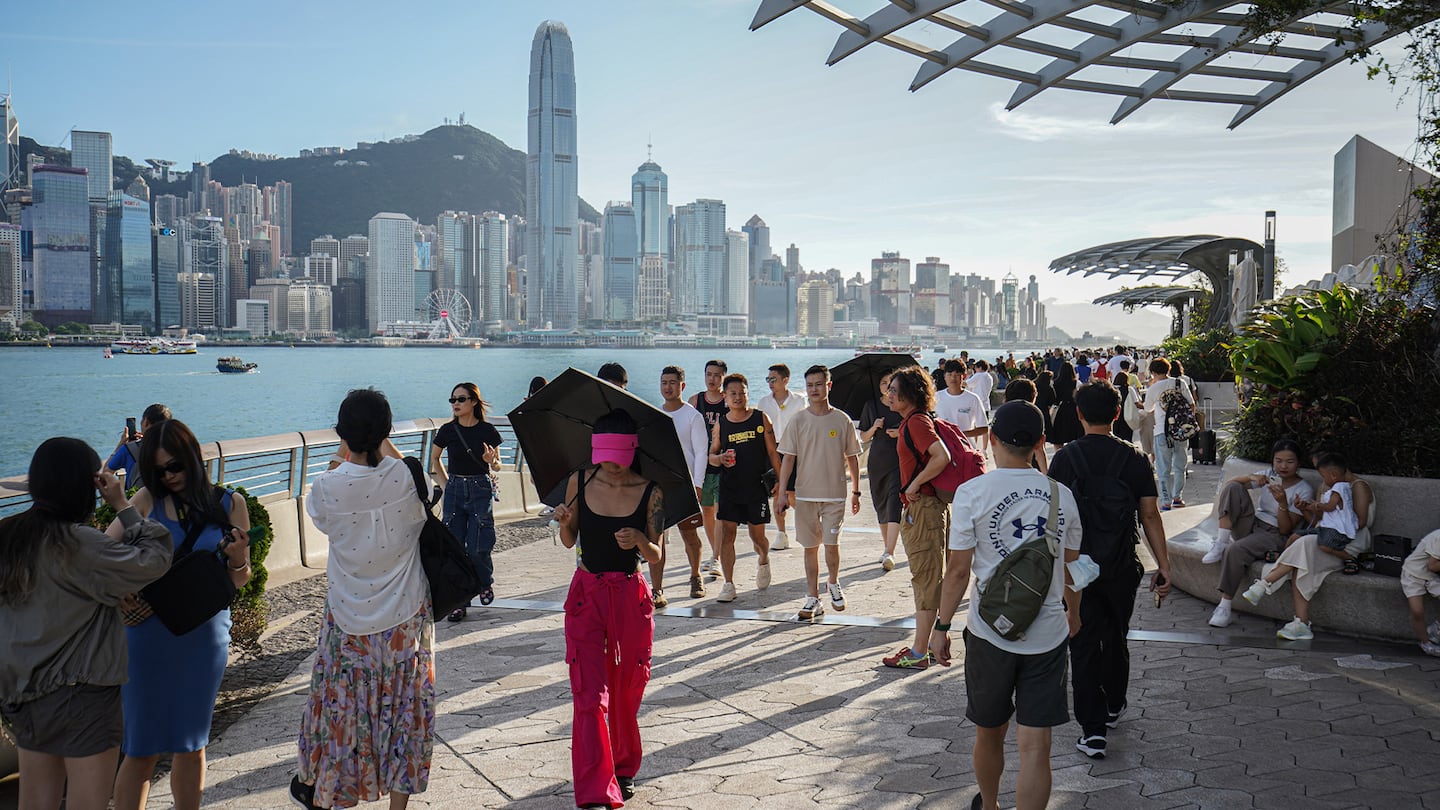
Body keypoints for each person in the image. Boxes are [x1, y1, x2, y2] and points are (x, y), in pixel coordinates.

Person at [0, 438, 171, 810]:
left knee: (36, 801)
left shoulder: (8, 536)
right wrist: (123, 505)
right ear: (85, 484)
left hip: (22, 695)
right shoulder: (81, 544)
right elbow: (155, 557)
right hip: (83, 697)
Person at [930, 401, 1083, 810]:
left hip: (988, 630)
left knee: (989, 732)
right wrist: (1074, 611)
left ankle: (991, 806)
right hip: (1047, 632)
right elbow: (1071, 570)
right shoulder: (1061, 495)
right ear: (1040, 443)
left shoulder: (972, 492)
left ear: (992, 439)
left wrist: (941, 627)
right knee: (1036, 747)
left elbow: (958, 572)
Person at [291, 389, 434, 810]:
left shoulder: (326, 487)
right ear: (386, 431)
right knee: (406, 710)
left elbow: (326, 519)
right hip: (405, 617)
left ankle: (331, 795)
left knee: (343, 712)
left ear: (342, 432)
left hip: (348, 619)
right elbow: (400, 471)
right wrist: (379, 442)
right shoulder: (409, 476)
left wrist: (347, 453)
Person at [110, 419, 252, 810]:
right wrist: (119, 589)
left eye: (174, 465)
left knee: (192, 746)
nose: (168, 476)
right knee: (140, 749)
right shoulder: (144, 502)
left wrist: (239, 560)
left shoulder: (231, 504)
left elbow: (240, 581)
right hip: (146, 639)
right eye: (158, 471)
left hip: (202, 637)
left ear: (192, 457)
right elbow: (104, 557)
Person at [1048, 382, 1171, 760]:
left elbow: (1053, 519)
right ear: (1118, 414)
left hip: (1075, 569)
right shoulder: (1134, 458)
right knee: (1117, 634)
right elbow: (1149, 513)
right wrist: (1164, 565)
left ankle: (1093, 730)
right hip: (1120, 565)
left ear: (1079, 414)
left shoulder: (1065, 459)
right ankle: (1115, 703)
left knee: (1082, 641)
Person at [551, 409, 663, 809]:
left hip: (630, 597)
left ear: (632, 449)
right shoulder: (579, 482)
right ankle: (597, 787)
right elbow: (568, 540)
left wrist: (638, 541)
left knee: (627, 687)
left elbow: (656, 553)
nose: (610, 464)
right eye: (604, 453)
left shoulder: (651, 491)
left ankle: (624, 766)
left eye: (618, 454)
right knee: (588, 693)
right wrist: (564, 522)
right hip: (587, 595)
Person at [1238, 453, 1364, 638]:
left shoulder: (1355, 487)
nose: (1321, 478)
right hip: (1324, 532)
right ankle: (1300, 623)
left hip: (1346, 539)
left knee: (1303, 545)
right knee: (1300, 544)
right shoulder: (1329, 486)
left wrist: (1320, 508)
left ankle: (1267, 584)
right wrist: (1307, 508)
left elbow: (1359, 523)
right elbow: (1317, 521)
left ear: (1333, 470)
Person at [777, 365, 862, 619]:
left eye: (818, 384)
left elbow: (853, 458)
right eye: (810, 385)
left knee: (832, 544)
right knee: (810, 547)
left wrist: (856, 491)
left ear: (829, 386)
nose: (814, 389)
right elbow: (788, 459)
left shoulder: (842, 420)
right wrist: (782, 493)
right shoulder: (798, 420)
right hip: (805, 495)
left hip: (835, 495)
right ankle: (812, 597)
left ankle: (833, 582)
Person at [883, 366, 951, 670]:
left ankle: (920, 651)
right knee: (928, 576)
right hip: (925, 507)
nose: (889, 394)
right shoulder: (914, 422)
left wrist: (912, 484)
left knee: (925, 578)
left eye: (894, 390)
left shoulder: (917, 422)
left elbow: (942, 456)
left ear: (910, 394)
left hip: (923, 507)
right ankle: (925, 645)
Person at [1203, 439, 1314, 628]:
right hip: (1253, 524)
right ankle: (1221, 541)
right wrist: (1251, 478)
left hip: (1274, 534)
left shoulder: (1303, 490)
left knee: (1236, 550)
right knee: (1234, 487)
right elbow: (1230, 486)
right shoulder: (1269, 475)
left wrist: (1282, 503)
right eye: (1278, 461)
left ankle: (1225, 605)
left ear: (1298, 463)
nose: (1283, 466)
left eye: (1289, 461)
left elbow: (1286, 529)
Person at [429, 382, 504, 621]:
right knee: (455, 547)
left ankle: (484, 583)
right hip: (455, 489)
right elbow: (435, 459)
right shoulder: (447, 430)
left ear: (473, 402)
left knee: (480, 544)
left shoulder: (487, 431)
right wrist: (446, 483)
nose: (456, 404)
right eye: (453, 400)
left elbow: (498, 465)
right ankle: (459, 602)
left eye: (461, 399)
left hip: (480, 487)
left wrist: (491, 461)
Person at [708, 374, 783, 603]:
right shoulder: (722, 423)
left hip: (755, 487)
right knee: (727, 535)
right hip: (730, 487)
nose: (738, 397)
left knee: (757, 536)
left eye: (742, 393)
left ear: (748, 393)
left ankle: (763, 559)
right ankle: (729, 584)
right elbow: (711, 455)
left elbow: (772, 452)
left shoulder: (761, 419)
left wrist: (781, 481)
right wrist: (720, 459)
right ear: (725, 397)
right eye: (733, 394)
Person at [659, 366, 709, 603]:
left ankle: (695, 575)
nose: (668, 387)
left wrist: (697, 484)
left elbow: (701, 452)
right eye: (664, 382)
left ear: (682, 386)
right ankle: (657, 588)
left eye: (672, 382)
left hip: (685, 484)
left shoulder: (693, 416)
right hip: (660, 486)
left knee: (689, 535)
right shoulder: (656, 415)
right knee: (656, 537)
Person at [860, 371, 904, 571]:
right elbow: (863, 437)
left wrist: (900, 433)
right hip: (878, 460)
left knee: (895, 501)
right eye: (883, 383)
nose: (887, 386)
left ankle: (890, 551)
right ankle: (887, 547)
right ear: (878, 386)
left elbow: (913, 428)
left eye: (890, 383)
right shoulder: (871, 405)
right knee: (880, 503)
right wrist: (875, 427)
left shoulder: (903, 404)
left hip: (899, 459)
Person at [690, 359, 729, 577]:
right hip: (702, 464)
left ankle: (716, 556)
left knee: (720, 511)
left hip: (723, 463)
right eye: (708, 374)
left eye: (716, 375)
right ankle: (717, 554)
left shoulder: (728, 400)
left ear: (723, 377)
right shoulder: (696, 401)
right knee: (707, 511)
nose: (712, 379)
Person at [757, 363, 802, 551]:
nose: (770, 383)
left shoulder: (799, 401)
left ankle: (806, 521)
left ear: (785, 380)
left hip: (793, 449)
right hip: (772, 449)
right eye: (768, 379)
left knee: (791, 492)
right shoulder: (764, 402)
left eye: (773, 379)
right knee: (777, 490)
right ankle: (781, 534)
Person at [1144, 358, 1194, 509]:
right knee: (1180, 466)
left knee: (1163, 468)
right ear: (1168, 369)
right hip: (1180, 430)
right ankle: (1177, 497)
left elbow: (1147, 409)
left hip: (1161, 431)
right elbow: (1191, 404)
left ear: (1153, 372)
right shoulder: (1180, 383)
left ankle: (1166, 501)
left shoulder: (1154, 388)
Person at [106, 403, 172, 485]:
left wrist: (120, 445)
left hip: (136, 497)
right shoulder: (176, 449)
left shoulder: (128, 450)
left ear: (146, 422)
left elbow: (105, 475)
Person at [1402, 530, 1440, 656]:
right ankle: (1425, 642)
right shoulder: (1438, 537)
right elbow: (1433, 565)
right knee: (1417, 611)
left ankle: (1436, 627)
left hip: (1433, 577)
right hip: (1413, 574)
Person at [936, 359, 990, 442]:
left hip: (966, 448)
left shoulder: (973, 399)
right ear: (944, 376)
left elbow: (984, 428)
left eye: (957, 375)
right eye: (950, 375)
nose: (953, 378)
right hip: (943, 448)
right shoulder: (936, 397)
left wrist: (960, 434)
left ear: (963, 376)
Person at [1003, 379, 1048, 474]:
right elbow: (1039, 450)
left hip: (1007, 468)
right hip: (1031, 468)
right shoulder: (1034, 416)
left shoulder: (1003, 416)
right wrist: (1046, 475)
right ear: (1033, 397)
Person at [1048, 361, 1082, 447]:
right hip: (1073, 409)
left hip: (1060, 409)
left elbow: (1053, 398)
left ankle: (1059, 456)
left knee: (1059, 437)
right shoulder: (1076, 383)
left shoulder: (1055, 383)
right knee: (1074, 435)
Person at [1113, 371, 1137, 444]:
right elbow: (1137, 403)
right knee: (1127, 438)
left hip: (1115, 416)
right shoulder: (1129, 389)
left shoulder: (1112, 389)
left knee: (1116, 437)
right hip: (1127, 416)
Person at [1034, 370, 1056, 441]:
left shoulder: (1034, 385)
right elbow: (1052, 400)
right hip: (1044, 410)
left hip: (1034, 408)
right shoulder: (1049, 388)